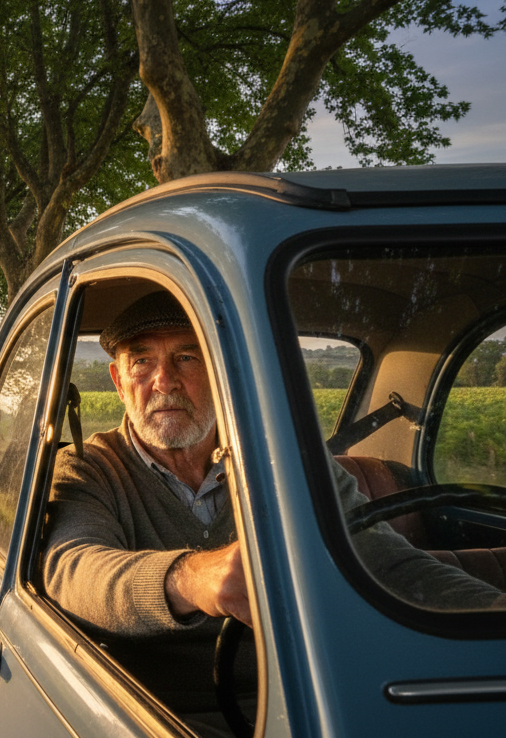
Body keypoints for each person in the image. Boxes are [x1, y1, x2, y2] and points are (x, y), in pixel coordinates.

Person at [42, 290, 502, 714]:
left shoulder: (288, 457)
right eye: (141, 361)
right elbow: (74, 568)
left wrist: (492, 612)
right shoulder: (89, 468)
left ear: (223, 370)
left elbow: (391, 563)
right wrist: (190, 579)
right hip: (164, 711)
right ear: (119, 382)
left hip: (315, 693)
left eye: (187, 356)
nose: (165, 381)